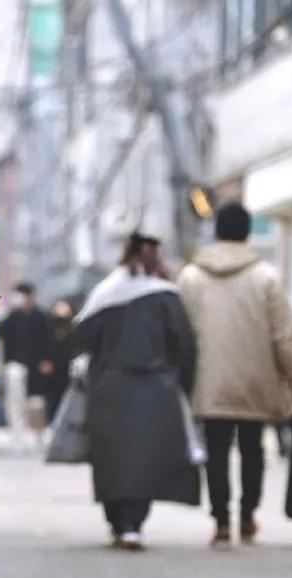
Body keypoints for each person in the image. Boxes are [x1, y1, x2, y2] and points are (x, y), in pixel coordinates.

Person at [178, 202, 292, 549]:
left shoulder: (191, 277)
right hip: (257, 379)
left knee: (217, 450)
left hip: (209, 381)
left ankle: (220, 521)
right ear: (248, 232)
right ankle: (248, 515)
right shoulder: (266, 277)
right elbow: (285, 334)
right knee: (253, 448)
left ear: (217, 231)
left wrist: (181, 379)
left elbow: (181, 334)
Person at [73, 233, 199, 550]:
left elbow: (82, 338)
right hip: (155, 389)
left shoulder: (105, 294)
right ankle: (134, 523)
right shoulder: (167, 297)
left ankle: (117, 522)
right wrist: (184, 386)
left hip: (108, 387)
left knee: (111, 460)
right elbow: (185, 347)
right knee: (144, 462)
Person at [0, 283, 53, 448]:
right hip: (15, 365)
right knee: (15, 402)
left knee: (37, 403)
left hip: (36, 365)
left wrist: (47, 360)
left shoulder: (40, 317)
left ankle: (39, 433)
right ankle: (17, 435)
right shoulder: (11, 317)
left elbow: (48, 340)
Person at [45, 299, 75, 422]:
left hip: (68, 368)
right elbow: (45, 345)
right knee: (53, 399)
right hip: (53, 370)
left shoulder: (72, 328)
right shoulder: (50, 327)